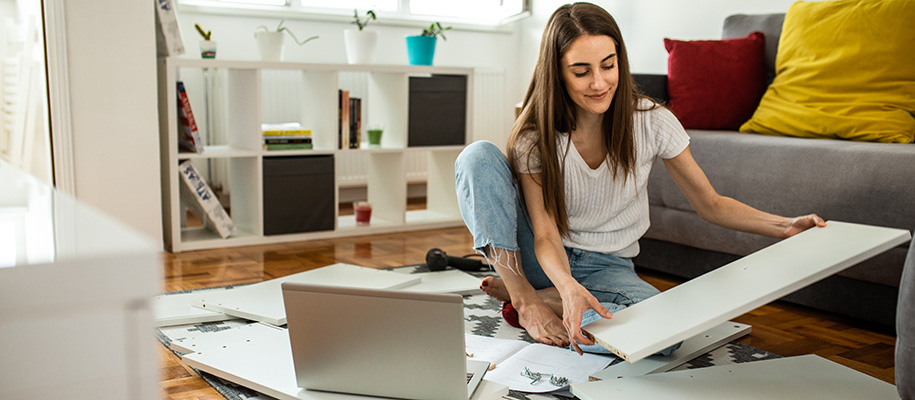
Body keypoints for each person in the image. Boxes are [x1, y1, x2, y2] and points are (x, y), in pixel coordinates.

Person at [454, 2, 825, 355]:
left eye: (608, 65)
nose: (599, 83)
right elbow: (546, 235)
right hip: (542, 257)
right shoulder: (535, 137)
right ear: (557, 73)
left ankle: (548, 298)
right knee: (477, 156)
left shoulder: (652, 120)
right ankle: (525, 298)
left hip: (609, 266)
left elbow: (710, 204)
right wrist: (566, 284)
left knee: (665, 338)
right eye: (581, 72)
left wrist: (785, 225)